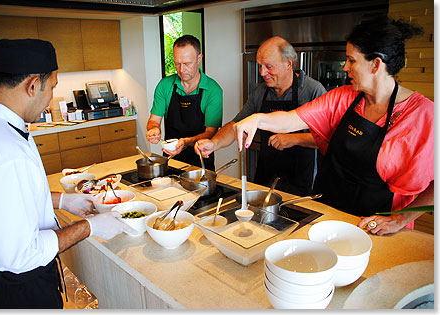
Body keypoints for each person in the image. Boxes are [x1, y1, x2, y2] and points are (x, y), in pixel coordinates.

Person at [0, 38, 135, 309]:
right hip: (14, 291)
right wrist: (90, 226)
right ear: (33, 85)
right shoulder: (3, 148)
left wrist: (63, 201)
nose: (50, 98)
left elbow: (6, 195)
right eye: (53, 86)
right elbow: (20, 255)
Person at [234, 17, 433, 235]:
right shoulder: (343, 97)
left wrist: (400, 219)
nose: (345, 67)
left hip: (377, 229)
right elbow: (294, 118)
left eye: (352, 60)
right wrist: (257, 119)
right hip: (329, 216)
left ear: (376, 64)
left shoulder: (423, 115)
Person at [196, 36, 326, 195]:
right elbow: (236, 125)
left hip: (301, 182)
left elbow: (327, 138)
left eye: (269, 66)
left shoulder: (313, 91)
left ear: (288, 64)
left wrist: (294, 138)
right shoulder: (260, 92)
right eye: (260, 66)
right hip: (266, 176)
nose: (262, 72)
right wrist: (214, 143)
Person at [146, 35, 223, 171]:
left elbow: (211, 132)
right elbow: (154, 120)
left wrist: (186, 142)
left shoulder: (212, 90)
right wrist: (154, 130)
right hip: (171, 160)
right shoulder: (165, 85)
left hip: (201, 161)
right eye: (177, 63)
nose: (181, 70)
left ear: (199, 58)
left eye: (187, 64)